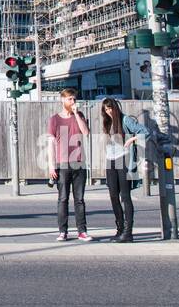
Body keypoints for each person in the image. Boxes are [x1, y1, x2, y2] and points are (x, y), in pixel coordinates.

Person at [99, 98, 150, 242]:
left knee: (125, 197)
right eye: (106, 109)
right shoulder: (107, 122)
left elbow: (145, 131)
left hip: (124, 160)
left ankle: (128, 232)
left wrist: (131, 139)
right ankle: (119, 229)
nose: (109, 111)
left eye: (110, 108)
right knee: (113, 195)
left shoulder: (125, 120)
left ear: (115, 107)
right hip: (111, 161)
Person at [47, 88, 91, 241]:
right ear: (62, 100)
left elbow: (85, 132)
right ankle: (63, 231)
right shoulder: (54, 119)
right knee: (63, 198)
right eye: (70, 99)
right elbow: (51, 143)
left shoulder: (79, 116)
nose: (72, 102)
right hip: (62, 163)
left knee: (79, 199)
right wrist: (51, 165)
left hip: (79, 162)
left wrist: (77, 114)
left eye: (74, 99)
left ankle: (82, 231)